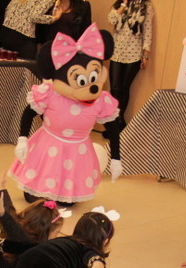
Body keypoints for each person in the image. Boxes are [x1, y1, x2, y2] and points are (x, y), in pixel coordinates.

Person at [9, 24, 122, 204]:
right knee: (33, 197)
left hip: (78, 150)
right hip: (48, 146)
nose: (91, 87)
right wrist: (22, 139)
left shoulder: (101, 100)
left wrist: (116, 158)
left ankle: (63, 192)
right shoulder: (50, 93)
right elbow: (29, 113)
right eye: (82, 80)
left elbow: (113, 128)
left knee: (68, 201)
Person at [107, 0, 154, 132]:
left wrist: (146, 55)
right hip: (117, 51)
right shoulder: (119, 4)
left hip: (134, 53)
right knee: (115, 88)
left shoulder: (146, 7)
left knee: (124, 88)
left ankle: (117, 122)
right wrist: (123, 5)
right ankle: (117, 122)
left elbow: (148, 31)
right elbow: (111, 20)